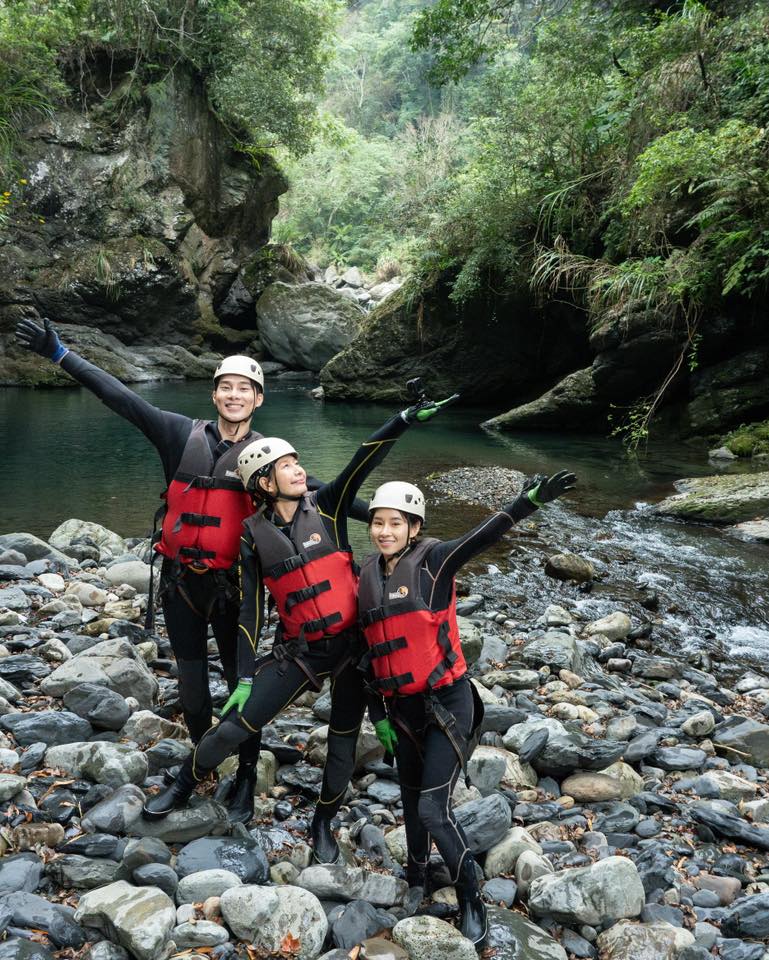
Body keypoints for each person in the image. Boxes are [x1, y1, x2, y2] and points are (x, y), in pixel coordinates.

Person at [14, 315, 349, 823]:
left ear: (259, 399)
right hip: (180, 584)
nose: (235, 395)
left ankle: (245, 778)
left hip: (237, 590)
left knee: (243, 684)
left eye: (245, 389)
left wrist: (399, 519)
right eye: (226, 387)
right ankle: (204, 761)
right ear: (215, 395)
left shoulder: (268, 459)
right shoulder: (177, 433)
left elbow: (330, 494)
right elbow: (121, 398)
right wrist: (62, 356)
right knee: (192, 691)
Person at [141, 394, 453, 863]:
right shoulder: (251, 534)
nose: (297, 469)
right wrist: (246, 677)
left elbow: (362, 461)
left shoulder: (326, 507)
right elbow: (250, 610)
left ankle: (323, 821)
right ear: (264, 482)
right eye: (285, 465)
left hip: (353, 653)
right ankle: (186, 781)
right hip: (300, 652)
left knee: (343, 752)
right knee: (231, 728)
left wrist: (401, 420)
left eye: (296, 461)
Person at [360, 470, 576, 949]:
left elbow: (483, 535)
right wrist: (377, 714)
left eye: (396, 522)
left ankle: (471, 896)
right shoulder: (369, 574)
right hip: (402, 707)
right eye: (378, 522)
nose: (385, 531)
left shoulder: (435, 561)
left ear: (414, 527)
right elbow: (368, 653)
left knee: (433, 809)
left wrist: (529, 501)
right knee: (410, 801)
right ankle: (416, 876)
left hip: (448, 703)